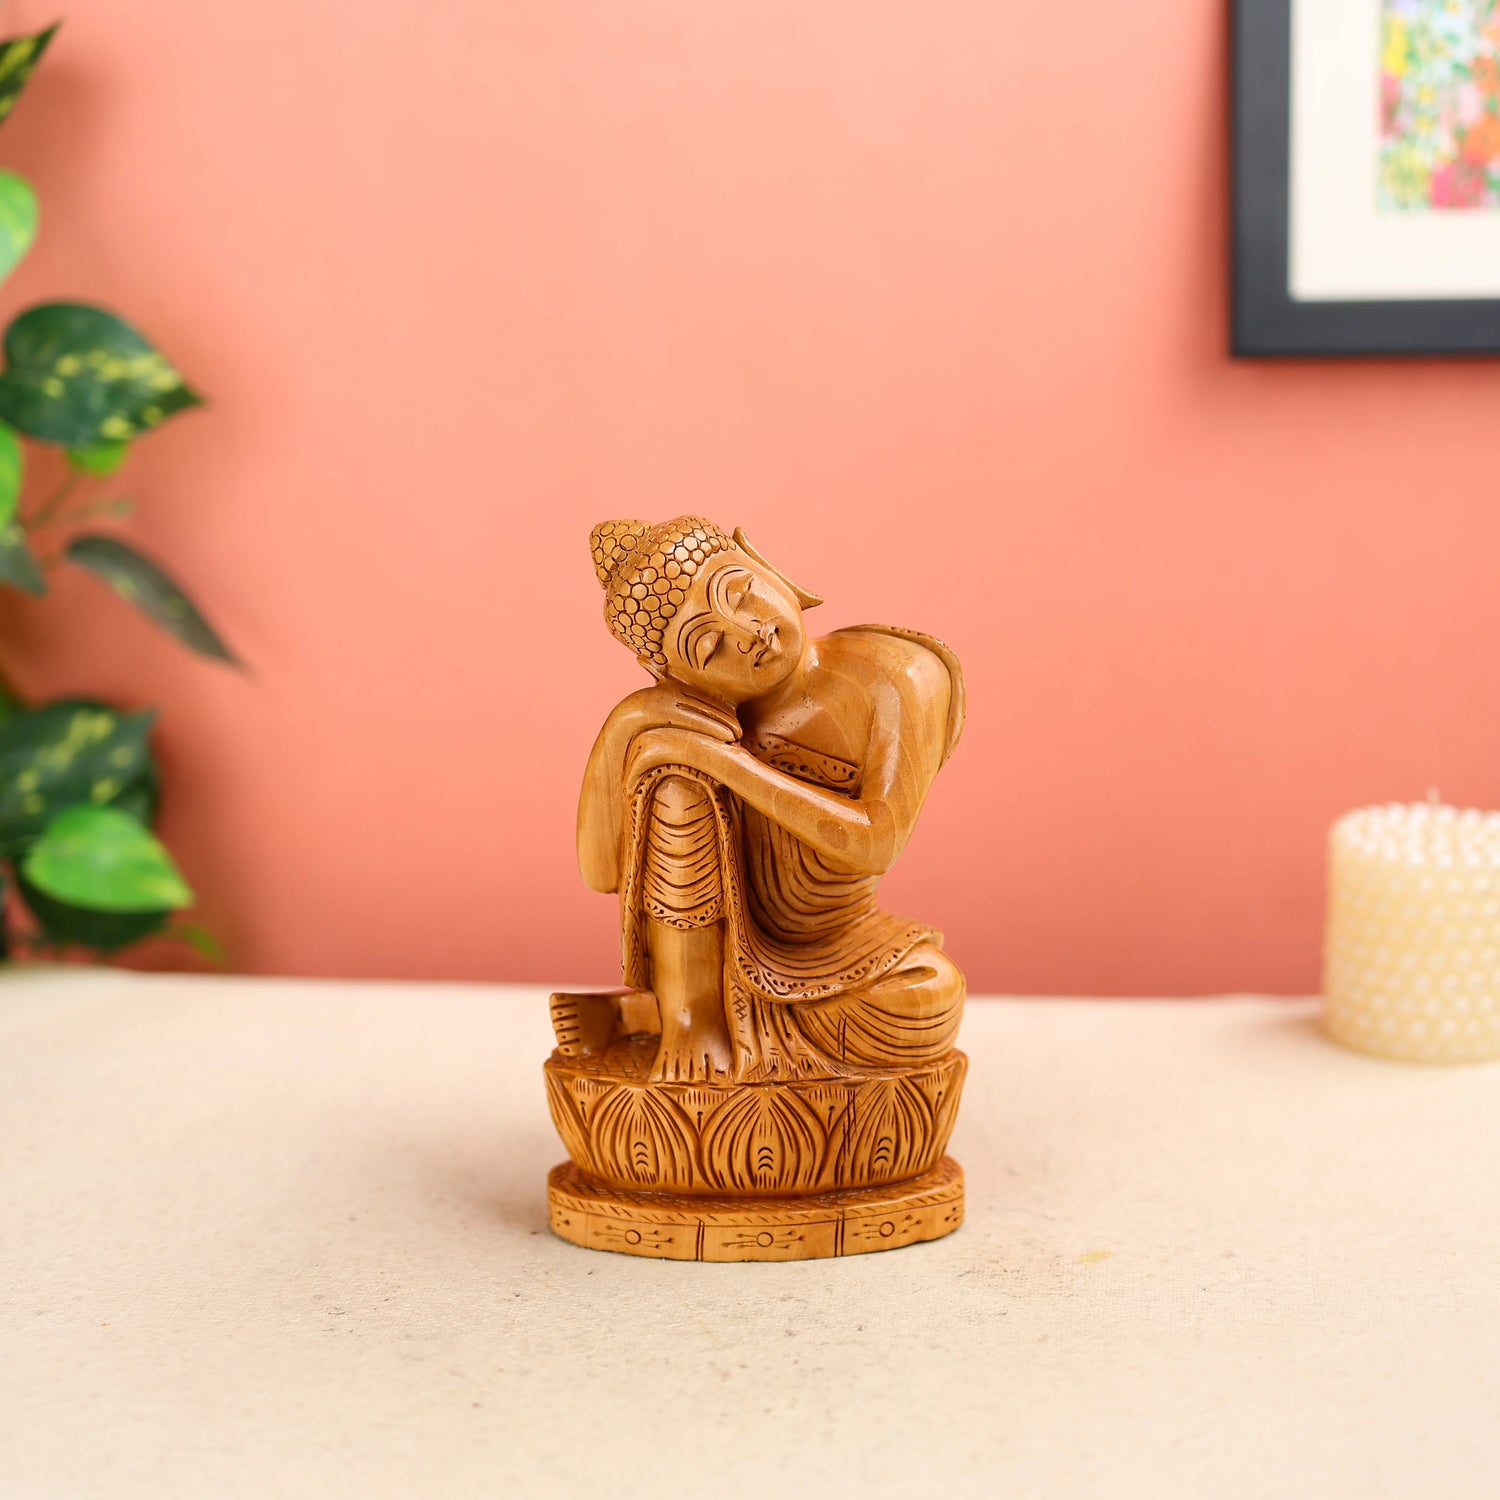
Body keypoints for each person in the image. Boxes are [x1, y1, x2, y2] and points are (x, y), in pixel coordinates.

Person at [576, 515, 965, 1083]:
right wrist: (624, 727)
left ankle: (643, 1014)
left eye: (739, 592)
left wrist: (728, 763)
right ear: (669, 672)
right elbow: (597, 872)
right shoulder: (695, 717)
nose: (748, 632)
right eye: (708, 644)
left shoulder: (898, 673)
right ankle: (689, 1020)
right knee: (675, 783)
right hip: (723, 959)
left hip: (845, 942)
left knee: (931, 995)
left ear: (759, 560)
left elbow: (875, 843)